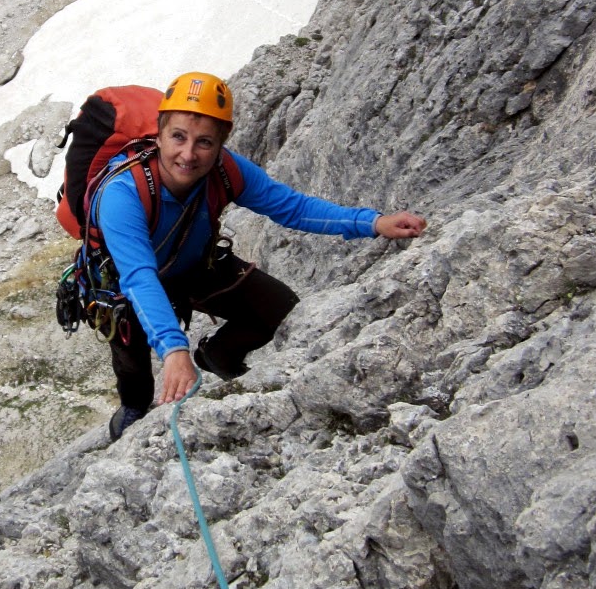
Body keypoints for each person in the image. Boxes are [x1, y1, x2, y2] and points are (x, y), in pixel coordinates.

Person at [93, 71, 426, 440]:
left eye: (204, 142)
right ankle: (131, 414)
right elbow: (139, 276)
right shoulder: (122, 192)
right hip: (127, 286)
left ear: (222, 143)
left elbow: (293, 208)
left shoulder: (225, 169)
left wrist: (374, 223)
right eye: (178, 137)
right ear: (159, 134)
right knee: (135, 373)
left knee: (280, 309)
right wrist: (173, 350)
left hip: (193, 264)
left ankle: (216, 356)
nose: (188, 154)